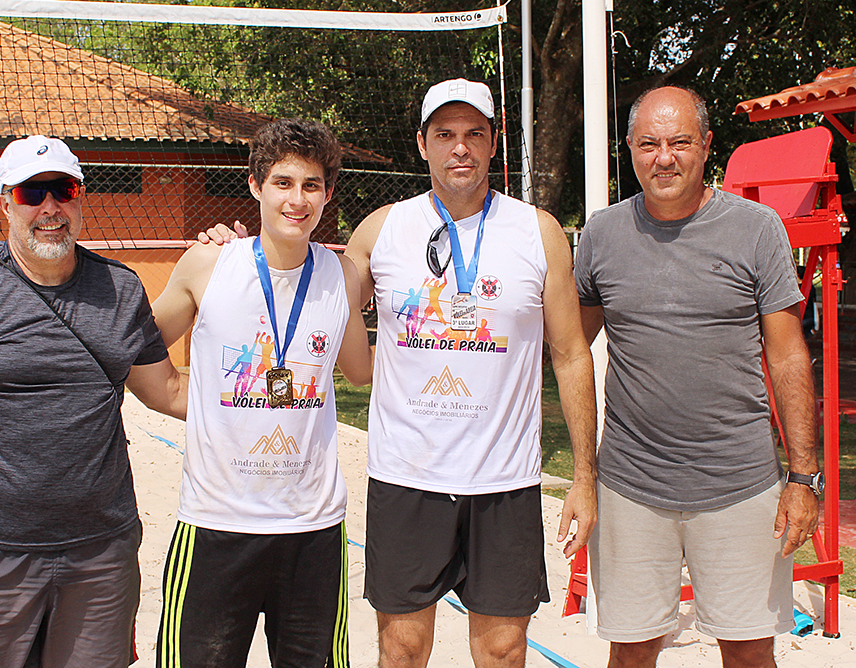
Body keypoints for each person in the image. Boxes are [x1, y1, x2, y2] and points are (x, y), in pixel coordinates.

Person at [206, 78, 598, 668]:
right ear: (422, 143)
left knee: (503, 648)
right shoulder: (382, 229)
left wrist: (585, 480)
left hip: (505, 480)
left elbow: (571, 354)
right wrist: (238, 254)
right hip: (405, 477)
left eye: (474, 134)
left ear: (494, 144)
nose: (459, 148)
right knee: (403, 646)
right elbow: (306, 288)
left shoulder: (537, 231)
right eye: (445, 134)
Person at [0, 135, 187, 667]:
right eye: (32, 193)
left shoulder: (121, 289)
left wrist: (282, 390)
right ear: (4, 202)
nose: (50, 207)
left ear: (79, 198)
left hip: (99, 554)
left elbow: (167, 390)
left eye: (62, 189)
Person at [575, 86, 820, 668]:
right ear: (629, 149)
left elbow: (788, 358)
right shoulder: (602, 235)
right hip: (631, 485)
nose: (665, 157)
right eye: (650, 144)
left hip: (740, 483)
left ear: (706, 146)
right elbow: (565, 349)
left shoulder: (757, 230)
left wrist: (803, 479)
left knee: (749, 650)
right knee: (631, 652)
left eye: (680, 142)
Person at [149, 118, 372, 668]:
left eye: (311, 185)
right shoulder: (209, 263)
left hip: (311, 528)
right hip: (216, 522)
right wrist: (185, 398)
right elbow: (134, 346)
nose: (297, 199)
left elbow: (360, 373)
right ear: (255, 185)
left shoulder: (340, 274)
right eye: (283, 182)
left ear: (327, 194)